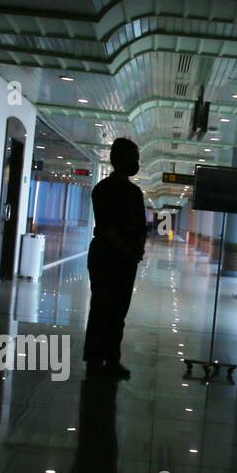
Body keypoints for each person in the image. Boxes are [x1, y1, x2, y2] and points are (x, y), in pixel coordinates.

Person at [84, 137, 146, 378]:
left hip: (124, 259)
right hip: (106, 257)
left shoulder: (134, 192)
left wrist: (137, 250)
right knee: (102, 307)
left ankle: (111, 359)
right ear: (120, 160)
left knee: (118, 310)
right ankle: (94, 359)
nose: (136, 163)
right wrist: (130, 251)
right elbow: (106, 227)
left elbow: (141, 227)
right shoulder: (103, 190)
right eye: (134, 158)